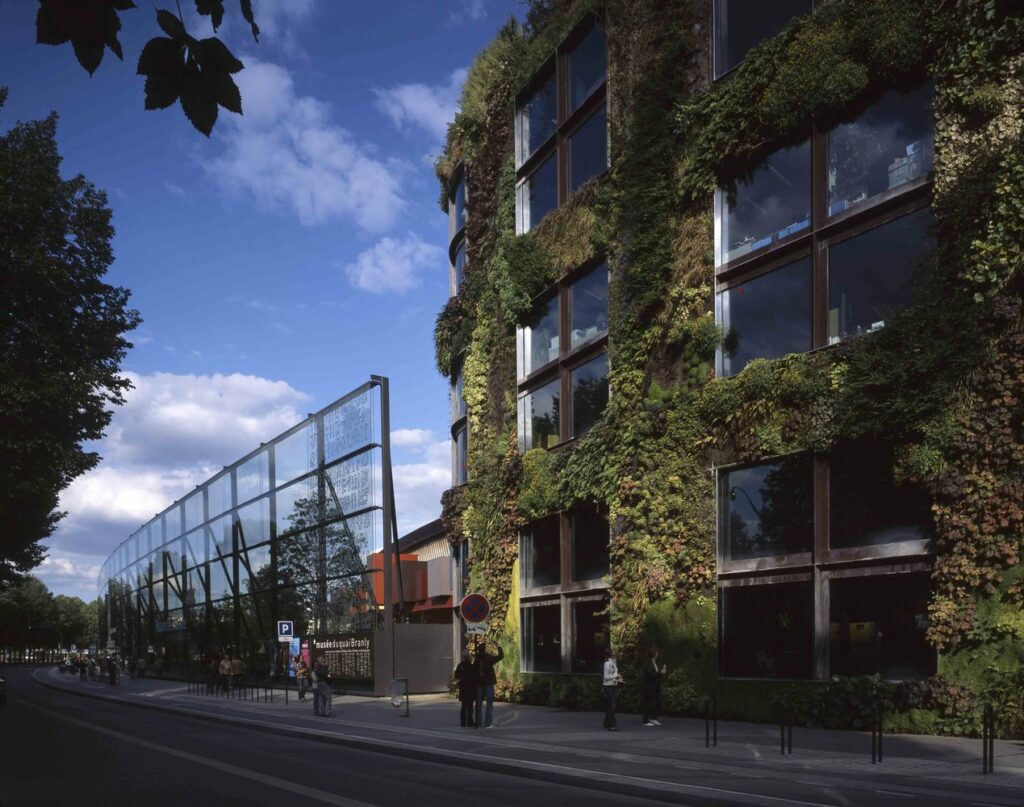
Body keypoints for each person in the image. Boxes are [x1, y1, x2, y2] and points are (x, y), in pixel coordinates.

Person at [474, 639, 503, 729]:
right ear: (485, 649)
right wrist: (498, 646)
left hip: (479, 684)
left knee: (478, 704)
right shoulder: (489, 658)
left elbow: (474, 671)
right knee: (489, 704)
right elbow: (501, 656)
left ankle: (479, 723)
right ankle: (488, 723)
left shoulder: (476, 658)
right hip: (489, 683)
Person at [641, 646, 667, 727]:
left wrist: (661, 673)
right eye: (657, 652)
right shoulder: (647, 663)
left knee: (656, 702)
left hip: (655, 686)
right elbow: (650, 674)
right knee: (648, 703)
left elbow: (656, 674)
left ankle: (653, 718)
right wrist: (660, 673)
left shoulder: (655, 662)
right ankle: (645, 721)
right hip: (648, 686)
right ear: (655, 653)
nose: (658, 654)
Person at [453, 650, 478, 727]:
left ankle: (463, 722)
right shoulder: (471, 666)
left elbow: (456, 677)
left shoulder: (460, 666)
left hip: (463, 688)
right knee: (470, 706)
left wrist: (458, 683)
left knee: (464, 706)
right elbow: (474, 677)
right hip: (470, 688)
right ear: (468, 657)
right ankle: (470, 721)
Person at [602, 647, 623, 731]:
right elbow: (606, 677)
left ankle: (606, 722)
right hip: (608, 686)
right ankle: (612, 725)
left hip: (614, 685)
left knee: (611, 704)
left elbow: (614, 673)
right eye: (614, 651)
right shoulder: (607, 663)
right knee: (612, 705)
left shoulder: (614, 662)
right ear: (610, 654)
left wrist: (618, 677)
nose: (615, 652)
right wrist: (615, 676)